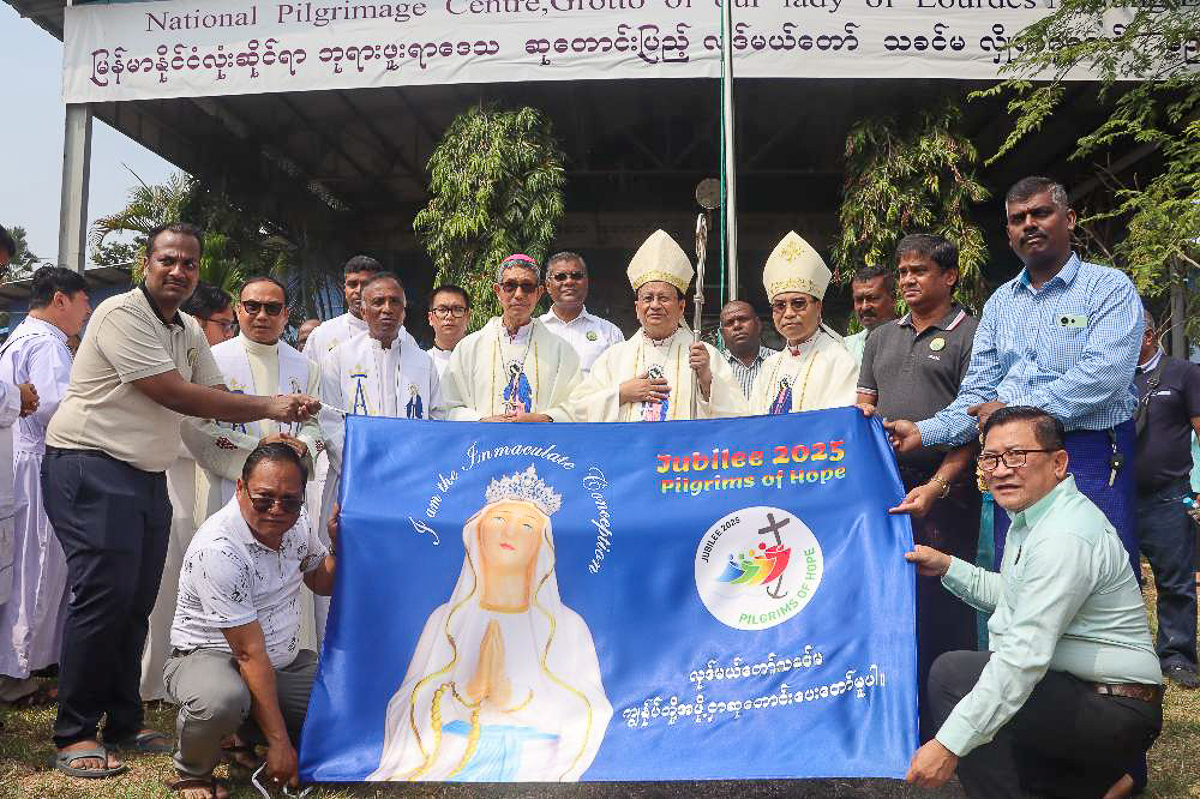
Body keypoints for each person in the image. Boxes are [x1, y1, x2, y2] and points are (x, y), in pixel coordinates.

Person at [42, 222, 320, 779]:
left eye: (189, 264)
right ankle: (74, 730)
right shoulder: (122, 314)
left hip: (143, 474)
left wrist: (265, 444)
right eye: (168, 260)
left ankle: (122, 721)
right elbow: (175, 393)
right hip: (90, 465)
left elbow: (212, 400)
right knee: (101, 598)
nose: (178, 271)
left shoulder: (188, 328)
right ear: (146, 262)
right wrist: (273, 406)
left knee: (136, 599)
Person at [884, 177, 1146, 577]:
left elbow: (1104, 376)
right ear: (1009, 234)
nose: (1029, 224)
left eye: (1040, 213)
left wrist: (1014, 414)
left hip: (1088, 453)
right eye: (1017, 219)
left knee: (1097, 575)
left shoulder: (1108, 288)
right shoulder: (1001, 303)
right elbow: (978, 394)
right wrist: (923, 432)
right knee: (1022, 578)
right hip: (1013, 462)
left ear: (1069, 219)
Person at [904, 406, 1162, 799]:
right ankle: (1096, 781)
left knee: (956, 677)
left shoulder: (1064, 536)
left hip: (1113, 705)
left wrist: (949, 744)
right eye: (990, 458)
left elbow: (1024, 655)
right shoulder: (1036, 517)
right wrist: (946, 567)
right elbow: (1014, 598)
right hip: (1087, 692)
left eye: (1017, 455)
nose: (1002, 469)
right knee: (976, 683)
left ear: (1059, 462)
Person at [368, 464, 611, 782]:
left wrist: (511, 697)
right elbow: (405, 706)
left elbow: (592, 711)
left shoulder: (567, 627)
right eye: (499, 519)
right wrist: (467, 693)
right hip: (453, 753)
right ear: (477, 531)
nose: (509, 532)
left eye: (526, 526)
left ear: (542, 544)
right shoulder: (446, 620)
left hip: (534, 762)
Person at [855, 235, 980, 737]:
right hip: (886, 489)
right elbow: (863, 408)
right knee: (887, 595)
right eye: (903, 272)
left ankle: (946, 721)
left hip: (945, 492)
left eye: (919, 271)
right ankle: (894, 716)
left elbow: (974, 424)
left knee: (941, 597)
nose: (907, 280)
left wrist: (939, 485)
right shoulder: (881, 337)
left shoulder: (971, 334)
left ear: (948, 277)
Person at [165, 443, 336, 799]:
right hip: (211, 656)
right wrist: (280, 744)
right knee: (223, 700)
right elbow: (247, 654)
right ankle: (192, 770)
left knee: (342, 703)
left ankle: (243, 732)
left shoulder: (298, 523)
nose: (277, 510)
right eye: (264, 499)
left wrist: (337, 547)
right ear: (241, 489)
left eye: (290, 501)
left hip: (279, 664)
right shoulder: (220, 548)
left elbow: (321, 581)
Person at [141, 282, 237, 702]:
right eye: (225, 324)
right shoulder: (168, 359)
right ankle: (159, 678)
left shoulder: (212, 360)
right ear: (199, 322)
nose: (230, 333)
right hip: (177, 481)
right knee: (169, 585)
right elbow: (182, 426)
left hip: (212, 480)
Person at [0, 268, 89, 706]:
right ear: (60, 299)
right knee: (35, 566)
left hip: (16, 460)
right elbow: (57, 407)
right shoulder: (47, 343)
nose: (86, 311)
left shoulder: (19, 336)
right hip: (36, 463)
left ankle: (21, 662)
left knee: (19, 567)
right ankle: (18, 668)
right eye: (82, 301)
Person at [568, 230, 747, 422]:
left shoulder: (704, 355)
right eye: (647, 298)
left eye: (663, 298)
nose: (654, 305)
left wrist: (706, 378)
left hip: (681, 451)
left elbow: (737, 415)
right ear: (637, 308)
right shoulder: (614, 358)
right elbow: (578, 410)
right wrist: (621, 393)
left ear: (681, 306)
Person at [183, 276, 322, 522]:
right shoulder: (210, 359)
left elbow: (318, 424)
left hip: (286, 487)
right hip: (226, 485)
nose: (261, 315)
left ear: (286, 314)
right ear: (238, 310)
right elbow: (195, 426)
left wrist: (303, 445)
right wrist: (256, 449)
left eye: (272, 308)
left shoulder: (307, 367)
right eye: (252, 306)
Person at [1133, 306, 1200, 689]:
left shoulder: (1184, 374)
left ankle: (1177, 657)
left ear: (1148, 336)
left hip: (1168, 496)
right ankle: (1133, 654)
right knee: (1120, 580)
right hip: (1119, 495)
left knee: (1175, 582)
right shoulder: (1113, 376)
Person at [443, 255, 579, 422]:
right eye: (510, 286)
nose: (519, 294)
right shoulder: (469, 348)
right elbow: (448, 406)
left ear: (539, 293)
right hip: (484, 445)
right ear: (498, 291)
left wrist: (545, 418)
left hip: (541, 445)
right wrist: (481, 421)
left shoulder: (561, 351)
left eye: (527, 286)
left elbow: (578, 406)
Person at [748, 232, 858, 414]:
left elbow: (840, 424)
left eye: (798, 304)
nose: (789, 313)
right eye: (780, 305)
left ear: (818, 307)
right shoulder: (769, 367)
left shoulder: (838, 360)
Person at [538, 252, 624, 374]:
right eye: (560, 277)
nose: (569, 282)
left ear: (587, 282)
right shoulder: (534, 330)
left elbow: (621, 380)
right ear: (548, 285)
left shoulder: (609, 333)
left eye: (576, 276)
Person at [301, 255, 383, 364]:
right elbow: (306, 378)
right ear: (345, 289)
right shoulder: (322, 335)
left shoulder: (399, 336)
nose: (359, 290)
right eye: (353, 284)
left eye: (366, 284)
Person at [843, 265, 898, 364]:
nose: (864, 307)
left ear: (893, 298)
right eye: (859, 300)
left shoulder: (912, 341)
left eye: (872, 298)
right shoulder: (846, 348)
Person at [719, 300, 774, 400]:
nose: (736, 326)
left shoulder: (780, 361)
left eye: (743, 319)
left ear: (758, 324)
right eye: (729, 323)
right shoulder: (713, 365)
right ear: (722, 333)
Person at [426, 284, 470, 379]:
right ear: (430, 318)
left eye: (457, 310)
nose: (449, 316)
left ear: (468, 317)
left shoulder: (483, 360)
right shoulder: (420, 363)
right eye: (442, 310)